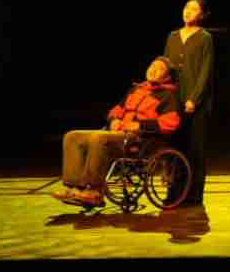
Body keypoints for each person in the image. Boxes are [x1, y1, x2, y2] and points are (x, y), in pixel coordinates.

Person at [52, 56, 182, 208]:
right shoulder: (136, 89)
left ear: (167, 77)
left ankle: (94, 191)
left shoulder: (168, 95)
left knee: (98, 139)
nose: (153, 70)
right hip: (120, 134)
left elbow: (171, 123)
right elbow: (117, 110)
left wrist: (139, 125)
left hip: (140, 140)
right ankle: (74, 188)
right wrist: (113, 120)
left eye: (159, 69)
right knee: (72, 136)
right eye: (152, 66)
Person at [164, 0, 214, 206]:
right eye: (186, 7)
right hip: (174, 100)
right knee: (175, 147)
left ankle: (194, 194)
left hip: (196, 102)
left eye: (193, 9)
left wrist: (194, 98)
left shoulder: (204, 38)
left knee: (195, 149)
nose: (187, 11)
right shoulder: (173, 36)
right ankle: (174, 192)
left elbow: (205, 71)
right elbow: (165, 67)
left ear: (201, 15)